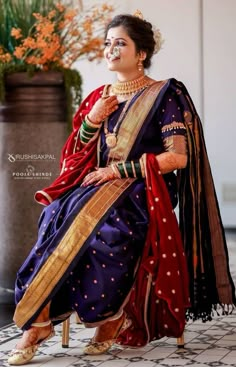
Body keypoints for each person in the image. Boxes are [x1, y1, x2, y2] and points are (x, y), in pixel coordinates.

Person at [8, 11, 235, 365]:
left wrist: (119, 170)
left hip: (142, 188)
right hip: (95, 185)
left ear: (140, 53)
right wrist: (93, 119)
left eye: (120, 43)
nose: (111, 49)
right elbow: (75, 152)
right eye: (107, 43)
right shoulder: (99, 97)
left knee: (109, 230)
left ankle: (111, 317)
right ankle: (38, 322)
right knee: (54, 216)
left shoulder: (165, 94)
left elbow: (177, 158)